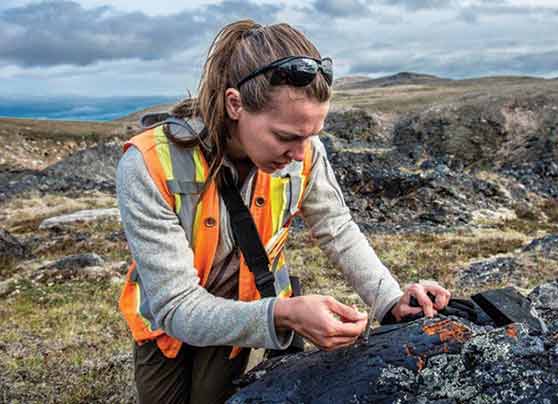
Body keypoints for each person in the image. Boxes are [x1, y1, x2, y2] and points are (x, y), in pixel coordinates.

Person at [116, 19, 451, 404]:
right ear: (235, 104)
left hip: (253, 305)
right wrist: (285, 314)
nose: (300, 154)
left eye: (312, 135)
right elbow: (176, 306)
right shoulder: (148, 165)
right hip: (167, 324)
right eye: (286, 137)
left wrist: (391, 302)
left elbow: (337, 228)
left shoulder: (306, 154)